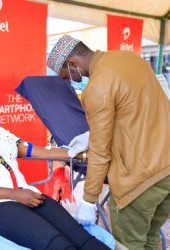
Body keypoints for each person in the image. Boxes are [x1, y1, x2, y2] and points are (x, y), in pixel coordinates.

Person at [0, 89, 110, 250]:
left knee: (81, 238)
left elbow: (36, 151)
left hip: (29, 195)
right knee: (57, 244)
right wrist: (14, 194)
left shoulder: (0, 133)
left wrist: (79, 154)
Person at [47, 34, 170, 250]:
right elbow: (137, 111)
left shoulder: (96, 88)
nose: (71, 81)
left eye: (67, 76)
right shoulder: (131, 59)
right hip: (167, 170)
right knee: (150, 237)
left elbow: (100, 153)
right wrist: (91, 134)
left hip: (140, 180)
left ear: (72, 63)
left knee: (130, 245)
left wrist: (88, 199)